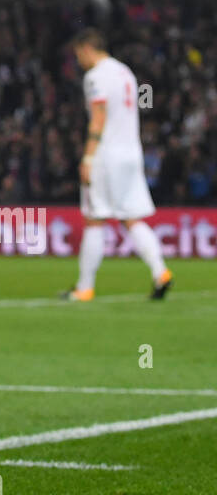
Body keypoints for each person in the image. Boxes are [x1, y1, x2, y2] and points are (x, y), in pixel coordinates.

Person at [63, 29, 173, 302]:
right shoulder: (125, 73)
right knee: (131, 217)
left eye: (78, 54)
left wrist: (88, 157)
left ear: (87, 49)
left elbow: (98, 117)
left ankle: (84, 287)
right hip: (132, 153)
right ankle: (161, 272)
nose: (79, 61)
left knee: (94, 218)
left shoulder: (96, 76)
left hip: (106, 155)